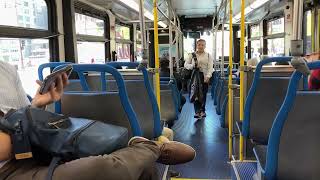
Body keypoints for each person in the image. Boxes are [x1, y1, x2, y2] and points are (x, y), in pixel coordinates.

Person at [0, 61, 196, 180]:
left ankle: (141, 150)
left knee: (145, 169)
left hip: (32, 151)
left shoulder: (7, 70)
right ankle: (152, 148)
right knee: (98, 169)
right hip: (9, 169)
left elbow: (20, 118)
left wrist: (38, 105)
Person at [184, 39, 214, 118]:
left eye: (202, 45)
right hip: (194, 77)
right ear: (197, 45)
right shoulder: (192, 55)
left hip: (204, 77)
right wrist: (192, 66)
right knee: (195, 93)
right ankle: (197, 111)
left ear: (205, 46)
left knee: (203, 94)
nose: (200, 46)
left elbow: (210, 67)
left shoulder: (208, 55)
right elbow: (186, 64)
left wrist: (208, 76)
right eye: (199, 44)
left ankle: (202, 111)